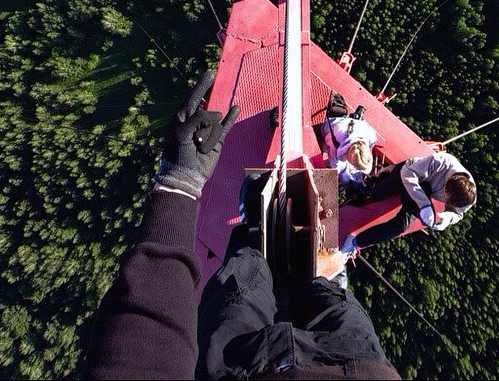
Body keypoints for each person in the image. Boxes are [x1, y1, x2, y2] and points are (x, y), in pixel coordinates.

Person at [83, 71, 401, 380]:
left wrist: (179, 184)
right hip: (348, 363)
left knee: (250, 283)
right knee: (285, 288)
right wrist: (178, 186)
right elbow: (139, 354)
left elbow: (140, 355)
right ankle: (306, 268)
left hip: (280, 363)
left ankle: (280, 250)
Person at [341, 151, 477, 257]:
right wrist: (425, 205)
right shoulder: (442, 162)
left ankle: (355, 242)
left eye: (446, 198)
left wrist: (445, 219)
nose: (443, 193)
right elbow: (408, 173)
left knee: (400, 227)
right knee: (377, 194)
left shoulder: (467, 199)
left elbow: (458, 214)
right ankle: (374, 177)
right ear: (450, 179)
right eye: (445, 190)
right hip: (410, 172)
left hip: (424, 191)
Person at [321, 93, 377, 188]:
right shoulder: (337, 146)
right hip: (332, 127)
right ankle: (351, 186)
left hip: (348, 126)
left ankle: (351, 185)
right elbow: (328, 146)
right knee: (344, 174)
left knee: (345, 172)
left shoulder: (371, 136)